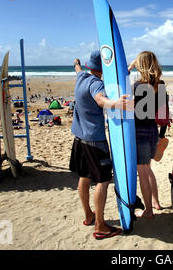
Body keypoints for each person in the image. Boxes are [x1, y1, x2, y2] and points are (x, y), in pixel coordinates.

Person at [70, 51, 131, 240]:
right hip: (94, 141)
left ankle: (89, 215)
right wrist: (115, 103)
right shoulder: (97, 84)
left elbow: (77, 68)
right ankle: (100, 225)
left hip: (78, 137)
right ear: (103, 68)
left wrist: (77, 62)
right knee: (103, 181)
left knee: (84, 176)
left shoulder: (81, 76)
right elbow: (99, 99)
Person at [128, 51, 168, 218]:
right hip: (153, 130)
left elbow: (119, 77)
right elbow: (162, 112)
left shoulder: (138, 87)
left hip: (140, 131)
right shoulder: (161, 84)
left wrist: (129, 67)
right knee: (148, 169)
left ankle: (149, 211)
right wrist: (161, 134)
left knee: (143, 171)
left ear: (140, 66)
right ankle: (156, 202)